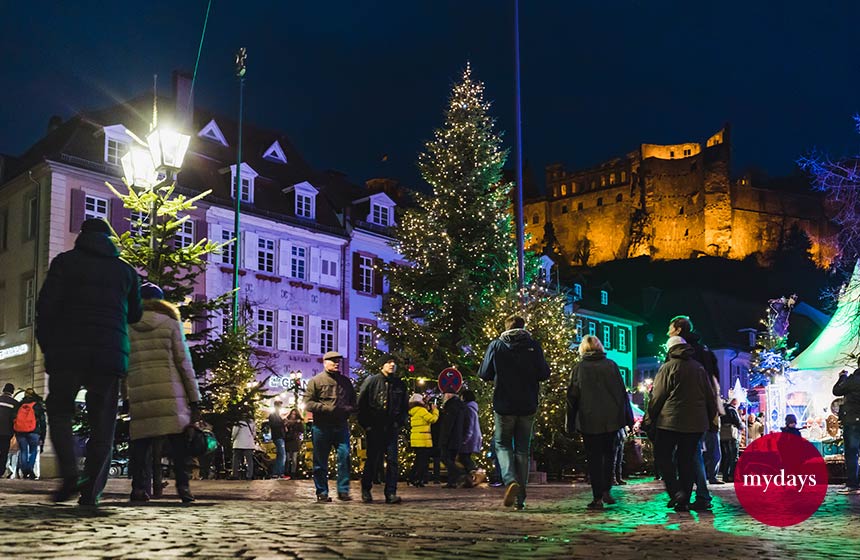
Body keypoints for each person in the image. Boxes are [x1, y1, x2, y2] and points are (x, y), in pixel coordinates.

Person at [36, 217, 143, 505]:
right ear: (110, 239)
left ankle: (70, 474)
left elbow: (45, 307)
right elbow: (135, 314)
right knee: (103, 423)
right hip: (109, 355)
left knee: (59, 412)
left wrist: (49, 347)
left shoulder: (65, 263)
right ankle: (92, 491)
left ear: (82, 236)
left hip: (66, 351)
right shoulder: (126, 272)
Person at [125, 283, 201, 503]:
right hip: (171, 394)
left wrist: (126, 397)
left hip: (140, 394)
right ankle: (183, 489)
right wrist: (194, 398)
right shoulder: (171, 324)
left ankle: (138, 488)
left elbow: (124, 364)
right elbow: (184, 363)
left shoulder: (128, 326)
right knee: (179, 446)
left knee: (140, 446)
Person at [478, 315, 551, 510]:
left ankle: (510, 481)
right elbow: (544, 373)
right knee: (522, 450)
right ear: (523, 327)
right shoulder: (533, 346)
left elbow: (484, 373)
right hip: (527, 405)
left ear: (506, 327)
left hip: (504, 405)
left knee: (502, 444)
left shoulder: (496, 345)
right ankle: (521, 499)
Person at [644, 336, 717, 512]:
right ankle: (684, 498)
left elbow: (658, 397)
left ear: (670, 350)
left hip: (670, 422)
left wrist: (649, 418)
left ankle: (676, 491)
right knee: (687, 460)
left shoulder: (667, 368)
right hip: (695, 424)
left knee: (663, 455)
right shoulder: (699, 368)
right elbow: (709, 396)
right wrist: (710, 419)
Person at [566, 335, 632, 510]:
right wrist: (627, 418)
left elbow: (572, 397)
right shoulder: (611, 366)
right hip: (611, 419)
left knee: (594, 458)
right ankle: (606, 490)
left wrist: (570, 421)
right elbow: (622, 394)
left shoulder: (579, 368)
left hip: (589, 420)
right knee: (609, 454)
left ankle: (597, 496)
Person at [667, 316, 723, 485]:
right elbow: (715, 378)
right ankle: (702, 487)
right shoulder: (704, 349)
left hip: (685, 407)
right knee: (700, 448)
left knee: (691, 451)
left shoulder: (680, 351)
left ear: (678, 330)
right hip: (705, 406)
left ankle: (696, 491)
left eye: (670, 328)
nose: (667, 332)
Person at [304, 350, 357, 502]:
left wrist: (347, 409)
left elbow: (354, 403)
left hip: (340, 425)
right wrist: (326, 409)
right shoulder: (316, 381)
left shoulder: (346, 382)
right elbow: (308, 403)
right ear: (324, 362)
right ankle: (322, 492)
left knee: (344, 456)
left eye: (337, 361)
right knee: (320, 461)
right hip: (322, 426)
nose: (336, 363)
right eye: (332, 361)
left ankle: (343, 490)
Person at [358, 355, 408, 504]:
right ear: (382, 366)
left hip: (391, 427)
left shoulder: (399, 384)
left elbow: (404, 406)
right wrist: (366, 425)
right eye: (388, 362)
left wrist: (400, 422)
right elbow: (361, 404)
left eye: (394, 362)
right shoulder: (372, 381)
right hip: (375, 427)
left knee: (393, 461)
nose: (392, 365)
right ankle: (366, 489)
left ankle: (391, 493)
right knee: (373, 460)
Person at [833, 367, 860, 494]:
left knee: (852, 452)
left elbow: (837, 390)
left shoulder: (853, 380)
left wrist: (842, 377)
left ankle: (853, 484)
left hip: (853, 421)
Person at [14, 388, 47, 480]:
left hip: (20, 431)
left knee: (23, 450)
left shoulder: (19, 405)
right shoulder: (37, 405)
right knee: (33, 451)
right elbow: (42, 422)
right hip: (34, 432)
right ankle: (30, 468)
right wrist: (42, 436)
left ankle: (25, 471)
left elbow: (13, 418)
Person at [437, 391, 467, 488]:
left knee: (445, 458)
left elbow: (448, 425)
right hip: (457, 437)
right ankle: (452, 481)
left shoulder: (451, 406)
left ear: (448, 395)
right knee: (451, 459)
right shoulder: (461, 406)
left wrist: (444, 438)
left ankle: (459, 473)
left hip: (450, 438)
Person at [408, 393, 438, 487]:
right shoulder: (421, 410)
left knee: (418, 460)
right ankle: (416, 479)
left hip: (417, 439)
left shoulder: (414, 411)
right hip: (423, 439)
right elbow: (433, 419)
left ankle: (414, 478)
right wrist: (435, 410)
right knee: (422, 461)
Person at [459, 388, 483, 484]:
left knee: (464, 457)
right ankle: (469, 479)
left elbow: (469, 425)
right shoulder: (472, 408)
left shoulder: (468, 409)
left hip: (470, 438)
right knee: (465, 457)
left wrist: (465, 439)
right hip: (473, 437)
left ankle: (476, 473)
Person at [0, 383, 19, 476]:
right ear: (12, 391)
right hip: (7, 432)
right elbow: (15, 419)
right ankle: (0, 471)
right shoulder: (15, 403)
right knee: (4, 452)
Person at [269, 399, 287, 479]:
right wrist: (282, 423)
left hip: (279, 436)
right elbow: (273, 425)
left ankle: (277, 472)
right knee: (282, 455)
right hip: (278, 436)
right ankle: (279, 473)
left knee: (280, 455)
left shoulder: (276, 415)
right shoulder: (273, 415)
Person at [284, 409, 304, 478]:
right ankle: (286, 472)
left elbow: (302, 430)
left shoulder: (298, 422)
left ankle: (293, 473)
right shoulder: (286, 421)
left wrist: (298, 424)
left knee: (294, 459)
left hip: (295, 441)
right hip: (288, 441)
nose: (293, 416)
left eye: (294, 414)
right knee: (287, 458)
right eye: (292, 414)